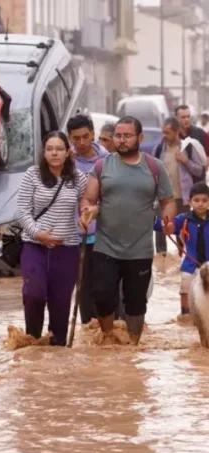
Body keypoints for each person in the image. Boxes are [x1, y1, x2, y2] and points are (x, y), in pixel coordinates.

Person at [79, 116, 175, 345]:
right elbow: (89, 198)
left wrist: (168, 220)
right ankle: (109, 338)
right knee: (102, 296)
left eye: (127, 136)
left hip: (140, 248)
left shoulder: (154, 167)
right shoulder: (102, 166)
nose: (121, 140)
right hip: (106, 245)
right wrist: (87, 211)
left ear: (139, 138)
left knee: (136, 302)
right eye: (118, 136)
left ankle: (132, 345)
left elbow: (167, 200)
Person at [17, 131, 87, 346]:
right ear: (44, 152)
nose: (54, 153)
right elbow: (22, 211)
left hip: (66, 250)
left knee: (61, 304)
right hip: (34, 246)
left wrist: (86, 215)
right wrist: (38, 234)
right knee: (34, 294)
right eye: (49, 149)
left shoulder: (78, 178)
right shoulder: (32, 175)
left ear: (68, 152)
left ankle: (57, 356)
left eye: (59, 149)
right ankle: (33, 342)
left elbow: (88, 203)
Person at [66, 114, 108, 324]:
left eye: (85, 136)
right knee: (81, 287)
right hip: (73, 235)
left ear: (92, 134)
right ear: (70, 138)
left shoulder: (107, 161)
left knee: (103, 287)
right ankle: (87, 329)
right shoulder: (64, 162)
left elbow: (111, 197)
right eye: (76, 138)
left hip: (102, 235)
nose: (81, 143)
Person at [154, 182, 209, 319]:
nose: (200, 204)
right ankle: (185, 314)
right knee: (185, 286)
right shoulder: (183, 219)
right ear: (189, 201)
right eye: (196, 200)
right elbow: (166, 226)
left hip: (208, 264)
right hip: (190, 263)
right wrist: (162, 224)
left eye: (204, 201)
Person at [153, 117, 204, 255]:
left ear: (176, 132)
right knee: (161, 228)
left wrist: (185, 160)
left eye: (167, 132)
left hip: (182, 197)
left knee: (182, 230)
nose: (164, 135)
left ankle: (183, 258)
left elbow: (199, 170)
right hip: (164, 197)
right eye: (163, 132)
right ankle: (161, 257)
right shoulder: (159, 149)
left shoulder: (188, 147)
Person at [175, 105, 209, 169]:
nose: (187, 119)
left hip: (198, 175)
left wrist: (203, 169)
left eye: (188, 116)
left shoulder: (200, 134)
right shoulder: (174, 136)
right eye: (183, 117)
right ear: (176, 118)